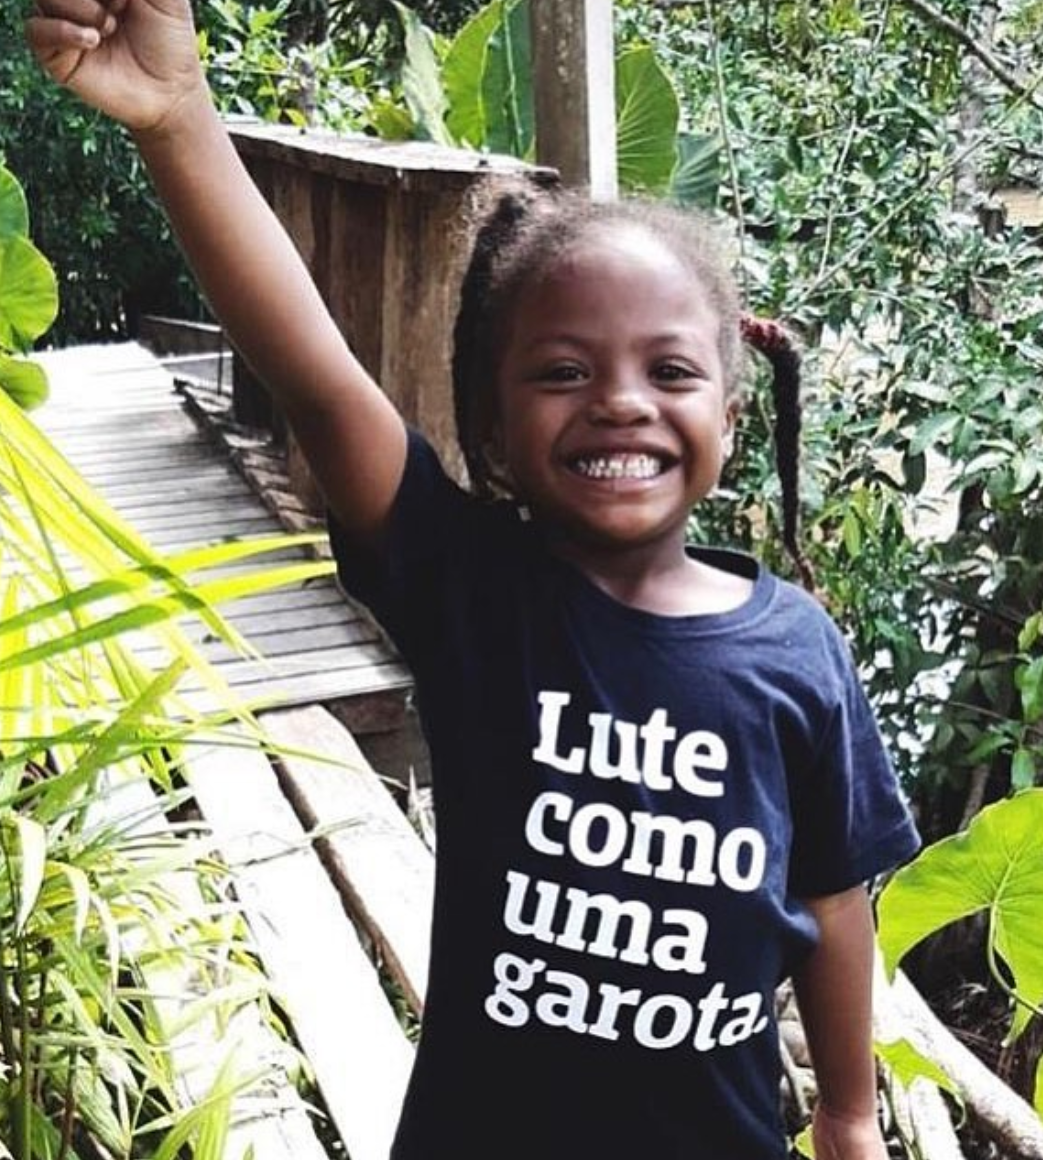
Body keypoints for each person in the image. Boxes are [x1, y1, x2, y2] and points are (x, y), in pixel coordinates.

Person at [27, 2, 921, 1156]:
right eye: (561, 369)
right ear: (492, 428)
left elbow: (831, 898)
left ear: (729, 414)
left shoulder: (798, 649)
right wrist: (178, 116)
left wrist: (847, 1113)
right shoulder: (473, 593)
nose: (618, 399)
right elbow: (316, 379)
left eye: (668, 369)